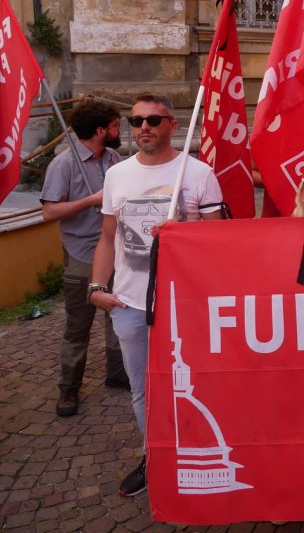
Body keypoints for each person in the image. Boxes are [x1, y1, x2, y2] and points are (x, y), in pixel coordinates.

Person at [89, 94, 223, 498]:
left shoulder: (198, 174)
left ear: (173, 125)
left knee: (196, 384)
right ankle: (156, 457)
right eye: (136, 121)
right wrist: (97, 288)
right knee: (143, 390)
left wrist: (182, 235)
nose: (143, 127)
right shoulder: (117, 175)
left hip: (185, 305)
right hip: (130, 304)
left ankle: (197, 453)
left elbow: (220, 242)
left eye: (152, 120)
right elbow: (107, 238)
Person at [40, 99, 128, 418]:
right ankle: (69, 388)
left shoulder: (114, 158)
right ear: (101, 130)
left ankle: (118, 373)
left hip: (116, 250)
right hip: (82, 254)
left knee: (118, 316)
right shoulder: (64, 164)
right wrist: (91, 200)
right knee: (78, 325)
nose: (120, 131)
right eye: (115, 125)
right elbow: (50, 211)